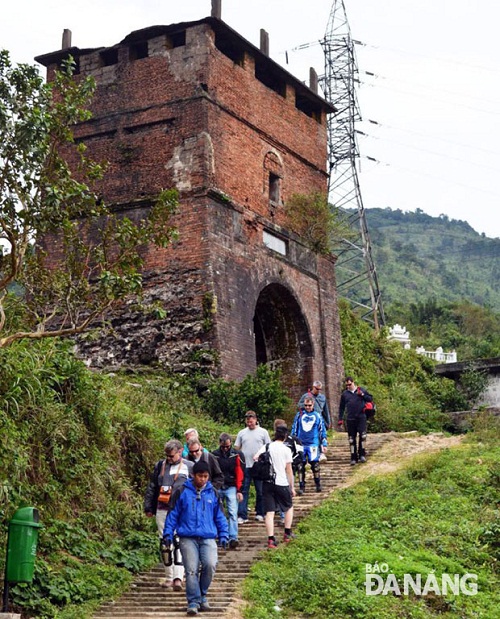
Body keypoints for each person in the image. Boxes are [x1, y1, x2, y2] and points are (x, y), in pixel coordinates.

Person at [163, 460, 229, 616]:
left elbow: (219, 516)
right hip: (187, 537)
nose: (203, 479)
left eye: (206, 476)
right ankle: (193, 601)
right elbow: (173, 514)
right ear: (193, 475)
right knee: (191, 570)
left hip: (208, 536)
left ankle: (202, 595)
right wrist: (168, 533)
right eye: (200, 476)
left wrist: (224, 534)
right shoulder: (181, 491)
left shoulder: (213, 492)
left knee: (210, 565)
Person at [144, 439, 194, 590]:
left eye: (171, 456)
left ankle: (178, 577)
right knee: (165, 543)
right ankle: (168, 576)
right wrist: (148, 506)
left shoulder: (189, 467)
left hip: (182, 510)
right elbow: (152, 486)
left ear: (180, 452)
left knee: (179, 541)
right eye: (167, 455)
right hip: (162, 508)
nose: (169, 458)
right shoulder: (160, 466)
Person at [254, 425, 296, 548]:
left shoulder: (267, 446)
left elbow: (255, 457)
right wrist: (291, 487)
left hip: (267, 483)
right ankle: (287, 533)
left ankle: (271, 539)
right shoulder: (286, 449)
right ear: (285, 436)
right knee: (288, 507)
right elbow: (289, 470)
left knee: (270, 512)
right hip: (281, 482)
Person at [234, 410, 271, 523]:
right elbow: (237, 447)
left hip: (259, 466)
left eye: (252, 420)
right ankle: (242, 514)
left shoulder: (263, 432)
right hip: (246, 465)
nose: (250, 423)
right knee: (244, 490)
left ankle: (260, 512)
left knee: (260, 490)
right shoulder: (242, 433)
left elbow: (268, 446)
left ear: (255, 420)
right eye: (248, 421)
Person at [211, 433, 245, 548]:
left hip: (231, 486)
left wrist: (240, 490)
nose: (225, 449)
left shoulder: (237, 455)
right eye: (223, 447)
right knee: (217, 513)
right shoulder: (214, 455)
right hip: (218, 486)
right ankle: (220, 535)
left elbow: (240, 472)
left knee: (232, 512)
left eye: (227, 446)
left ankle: (233, 536)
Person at [291, 396, 328, 494]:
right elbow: (294, 429)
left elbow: (322, 430)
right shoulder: (299, 415)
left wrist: (324, 443)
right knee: (300, 466)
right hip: (301, 444)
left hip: (313, 444)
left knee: (315, 465)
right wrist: (292, 442)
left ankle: (318, 484)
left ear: (313, 405)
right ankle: (301, 486)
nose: (307, 407)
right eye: (306, 405)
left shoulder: (317, 416)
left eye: (309, 405)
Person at [338, 376, 373, 465]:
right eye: (347, 385)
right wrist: (340, 418)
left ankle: (362, 454)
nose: (348, 386)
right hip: (350, 418)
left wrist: (362, 395)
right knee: (351, 439)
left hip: (361, 417)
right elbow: (341, 407)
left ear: (353, 382)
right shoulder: (345, 394)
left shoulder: (361, 390)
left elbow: (370, 398)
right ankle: (353, 457)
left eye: (350, 384)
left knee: (363, 435)